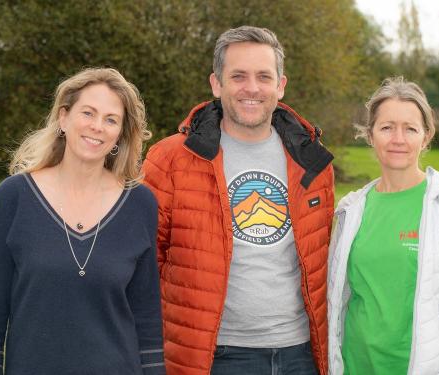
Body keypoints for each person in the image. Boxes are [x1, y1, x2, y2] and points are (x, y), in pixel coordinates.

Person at [143, 26, 334, 374]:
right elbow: (144, 261)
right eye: (238, 76)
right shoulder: (170, 159)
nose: (252, 88)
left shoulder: (313, 161)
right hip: (215, 357)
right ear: (216, 83)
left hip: (300, 354)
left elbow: (323, 261)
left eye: (264, 76)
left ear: (280, 85)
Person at [0, 68, 165, 374]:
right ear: (63, 118)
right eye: (88, 113)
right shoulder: (14, 197)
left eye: (111, 119)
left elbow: (146, 314)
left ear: (119, 135)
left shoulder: (139, 204)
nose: (97, 127)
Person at [327, 77, 439, 375]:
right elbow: (337, 299)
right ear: (370, 134)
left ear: (426, 136)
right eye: (387, 127)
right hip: (353, 366)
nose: (397, 139)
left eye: (410, 129)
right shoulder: (351, 211)